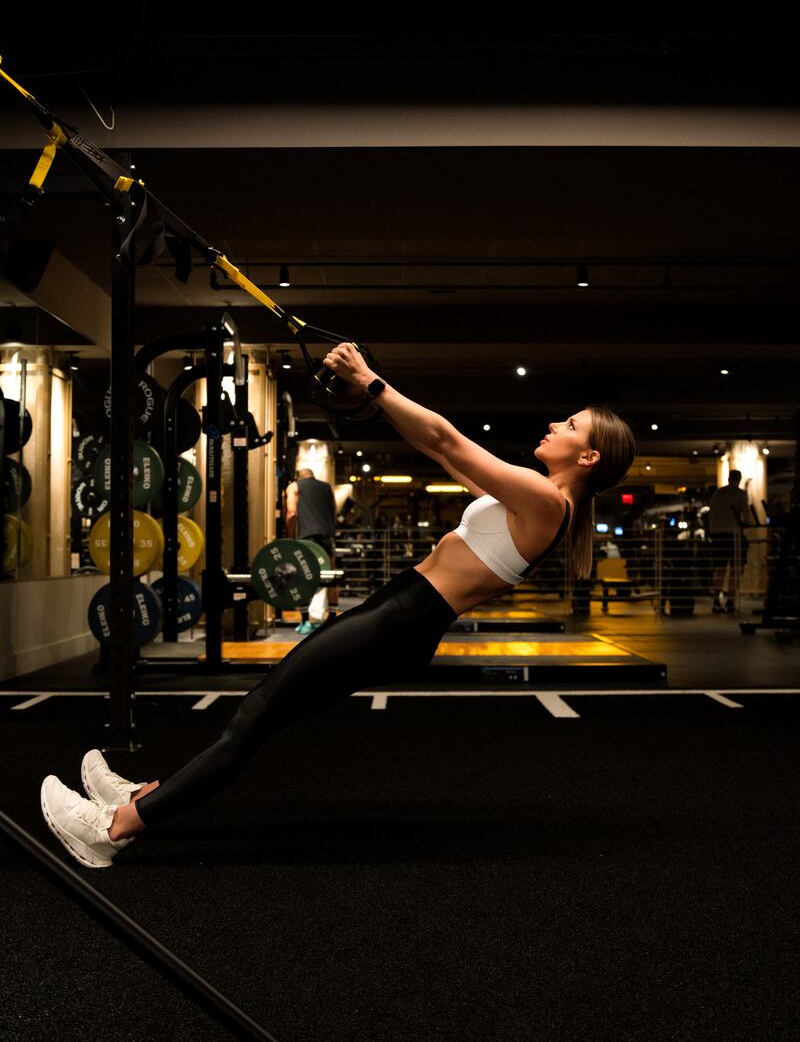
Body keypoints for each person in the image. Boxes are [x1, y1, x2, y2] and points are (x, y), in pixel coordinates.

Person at [40, 343, 636, 869]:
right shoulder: (531, 500)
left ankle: (115, 831)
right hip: (402, 615)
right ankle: (138, 800)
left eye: (572, 425)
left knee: (256, 714)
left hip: (402, 618)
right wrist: (372, 399)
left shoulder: (544, 501)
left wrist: (371, 381)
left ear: (588, 458)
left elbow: (447, 437)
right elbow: (446, 457)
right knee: (262, 714)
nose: (557, 424)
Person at [284, 468, 337, 633]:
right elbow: (334, 512)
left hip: (306, 537)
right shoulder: (327, 487)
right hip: (326, 537)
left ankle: (305, 620)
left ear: (299, 476)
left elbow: (292, 513)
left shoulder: (294, 486)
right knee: (331, 576)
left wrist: (291, 536)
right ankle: (333, 619)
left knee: (302, 577)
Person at [707, 469, 751, 612]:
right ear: (739, 479)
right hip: (733, 535)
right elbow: (746, 516)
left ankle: (715, 600)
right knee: (736, 569)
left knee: (719, 569)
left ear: (728, 478)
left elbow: (711, 514)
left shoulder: (717, 494)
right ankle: (730, 600)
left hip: (717, 535)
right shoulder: (740, 494)